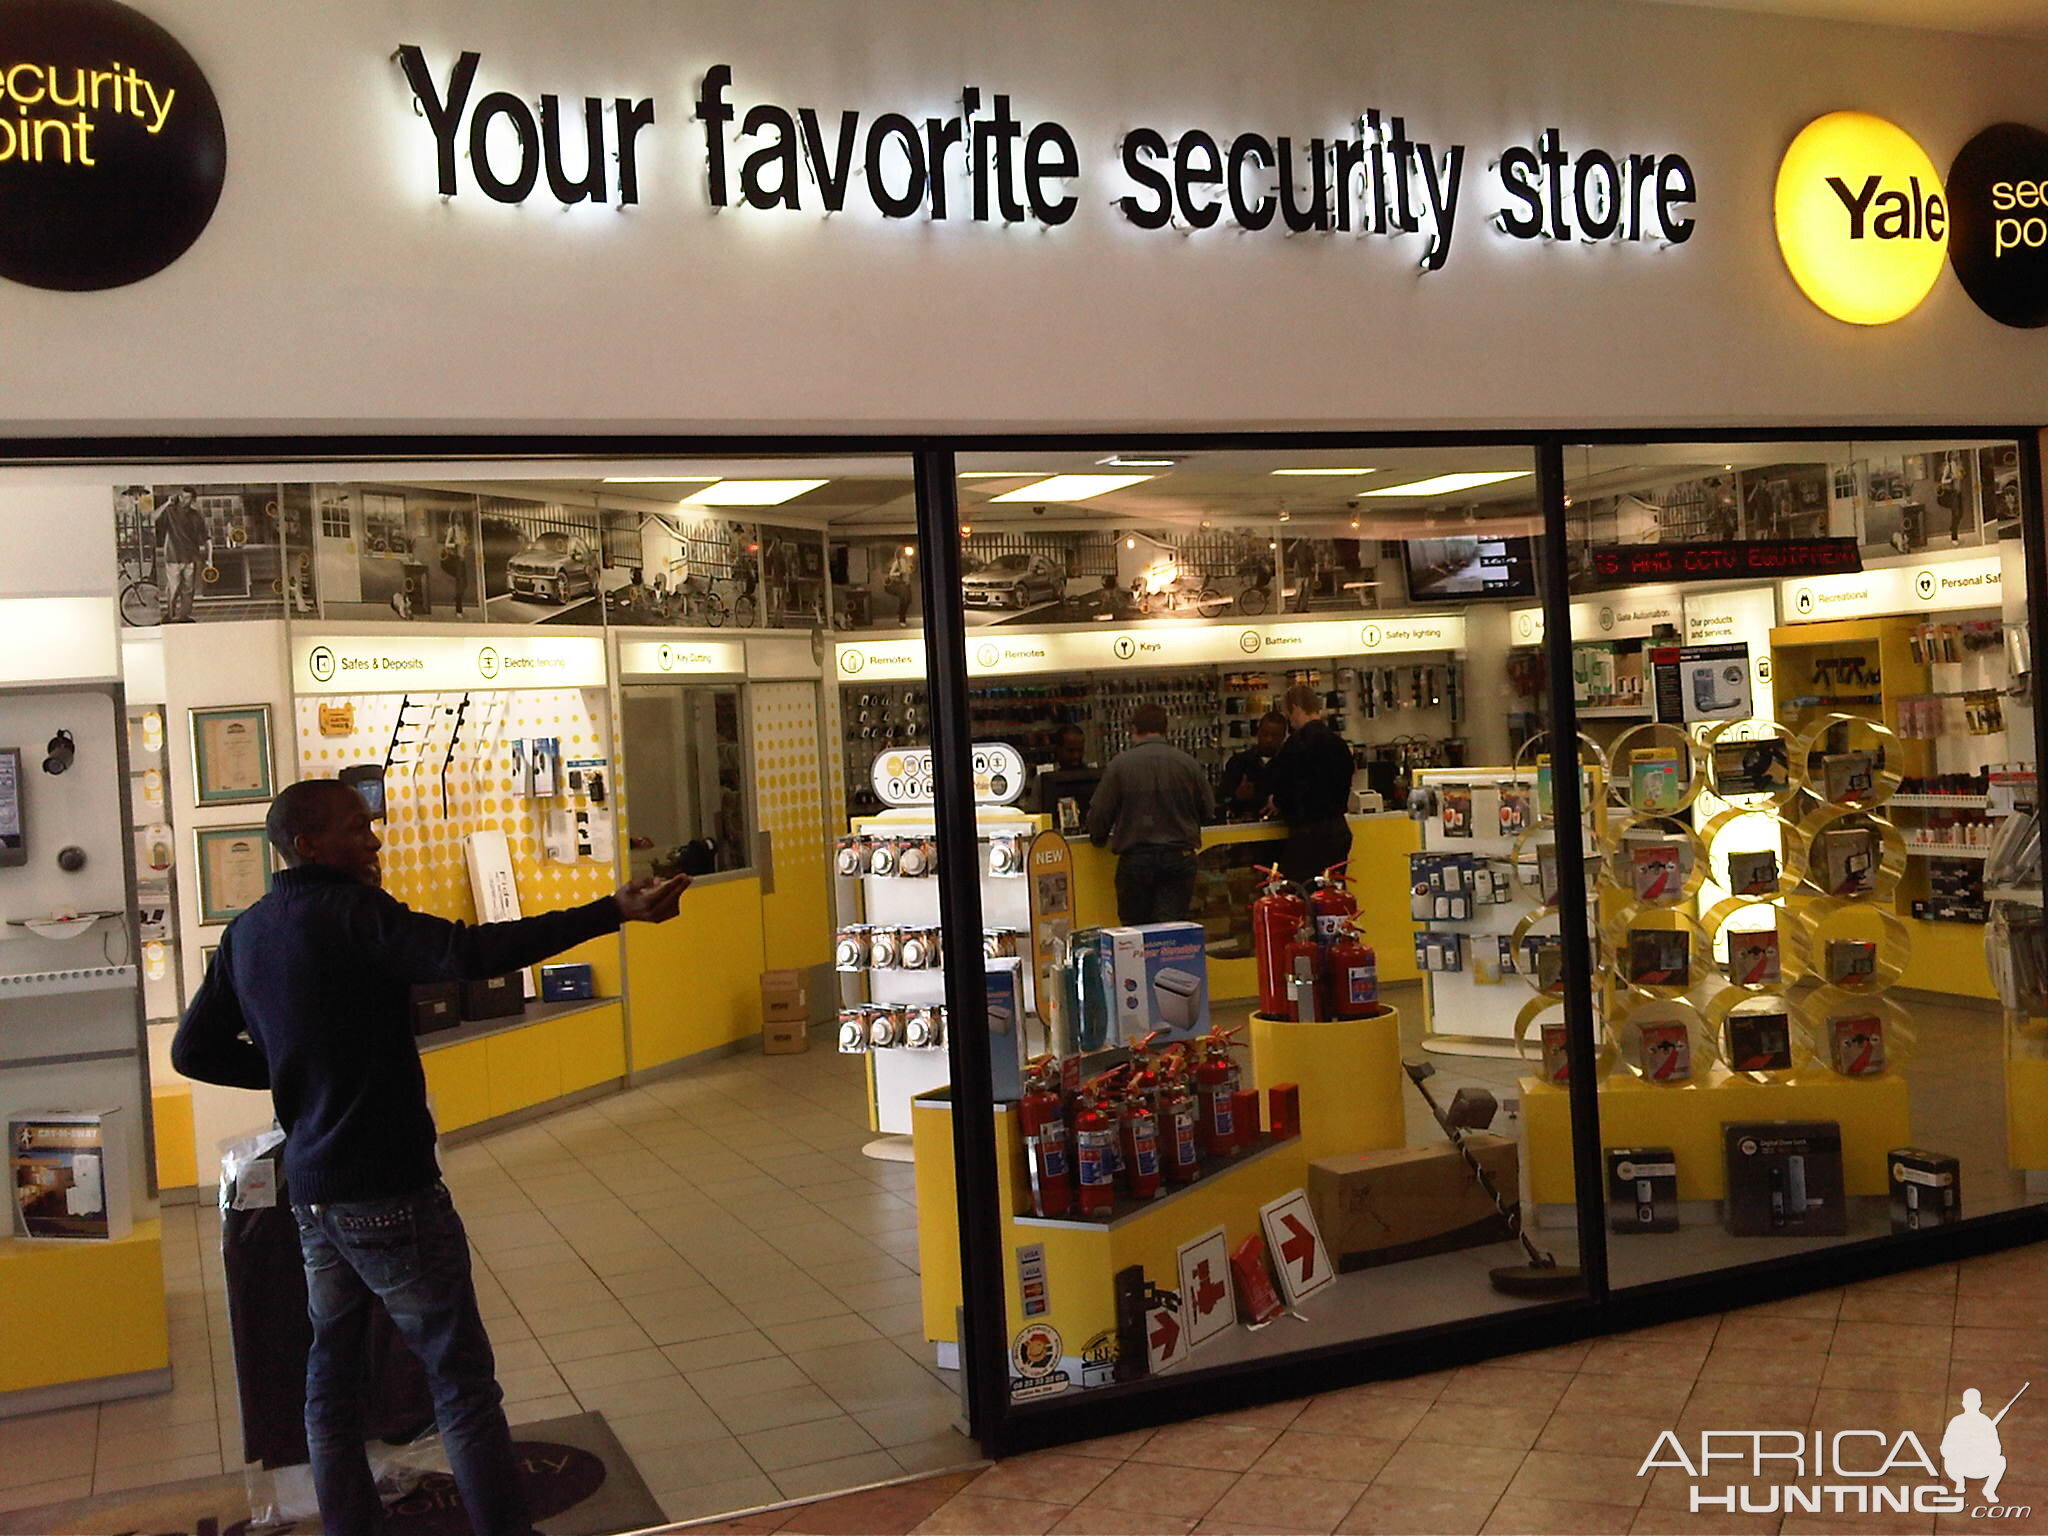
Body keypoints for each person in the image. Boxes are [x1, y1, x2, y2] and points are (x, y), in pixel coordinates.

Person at [171, 780, 689, 1536]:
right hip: (388, 1188)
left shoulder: (248, 932)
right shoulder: (354, 914)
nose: (375, 842)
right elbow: (468, 952)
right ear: (309, 844)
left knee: (331, 1379)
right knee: (461, 1383)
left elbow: (194, 1049)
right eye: (358, 829)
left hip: (313, 1192)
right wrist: (612, 910)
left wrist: (291, 1069)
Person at [1086, 702, 1210, 925]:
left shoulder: (1120, 765)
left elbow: (1099, 816)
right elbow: (1208, 810)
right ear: (1166, 729)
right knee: (1171, 931)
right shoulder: (1187, 764)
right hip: (1179, 859)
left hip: (1136, 861)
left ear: (1133, 730)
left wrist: (1098, 838)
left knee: (1135, 935)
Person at [1266, 683, 1356, 883]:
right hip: (1338, 830)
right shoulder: (1339, 744)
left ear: (1296, 708)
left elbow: (1287, 786)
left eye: (1288, 713)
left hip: (1309, 836)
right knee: (1332, 894)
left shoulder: (1297, 744)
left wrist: (1277, 801)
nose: (1289, 720)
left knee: (1303, 896)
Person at [1218, 711, 1290, 822]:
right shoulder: (1239, 762)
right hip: (1245, 828)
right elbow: (1222, 799)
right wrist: (1238, 796)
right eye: (1265, 734)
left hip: (1280, 828)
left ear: (1283, 737)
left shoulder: (1288, 765)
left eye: (1274, 736)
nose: (1268, 739)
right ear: (1258, 733)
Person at [155, 486, 213, 624]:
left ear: (193, 499)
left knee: (188, 589)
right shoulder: (169, 510)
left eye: (186, 497)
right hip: (173, 556)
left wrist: (210, 558)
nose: (182, 499)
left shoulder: (196, 515)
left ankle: (184, 616)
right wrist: (167, 503)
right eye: (181, 496)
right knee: (173, 588)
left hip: (191, 557)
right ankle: (170, 615)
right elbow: (153, 517)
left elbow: (206, 538)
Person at [1941, 1387, 2008, 1502]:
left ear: (1963, 1404)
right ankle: (1960, 1481)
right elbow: (1945, 1449)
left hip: (1977, 1467)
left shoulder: (1982, 1422)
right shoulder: (1961, 1422)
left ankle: (1988, 1490)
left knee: (2000, 1460)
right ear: (1979, 1404)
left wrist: (1980, 1446)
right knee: (2001, 1461)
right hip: (1962, 1465)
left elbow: (1996, 1450)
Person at [439, 518, 472, 616]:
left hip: (462, 559)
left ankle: (457, 598)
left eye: (461, 516)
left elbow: (466, 542)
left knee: (465, 584)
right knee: (459, 584)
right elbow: (446, 544)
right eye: (457, 516)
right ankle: (459, 611)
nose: (460, 518)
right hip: (455, 559)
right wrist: (455, 545)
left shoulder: (463, 529)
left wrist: (465, 542)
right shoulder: (452, 530)